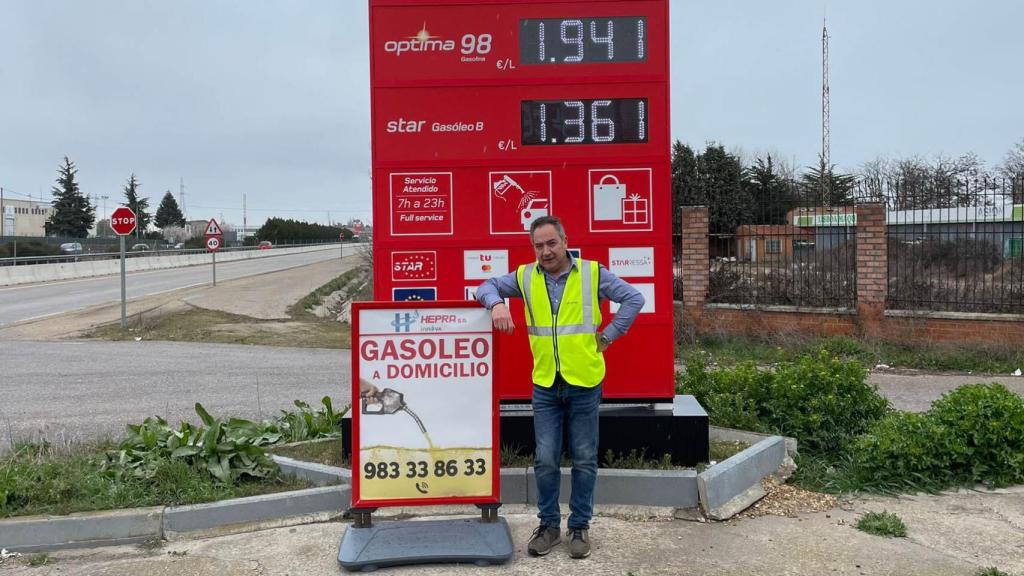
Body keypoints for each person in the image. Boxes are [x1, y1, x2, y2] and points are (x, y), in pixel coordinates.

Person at [476, 215, 644, 559]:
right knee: (546, 459)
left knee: (583, 459)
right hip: (546, 385)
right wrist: (496, 304)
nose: (545, 251)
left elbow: (634, 299)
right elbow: (485, 286)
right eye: (538, 245)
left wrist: (609, 335)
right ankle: (549, 526)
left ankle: (579, 526)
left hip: (584, 382)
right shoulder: (524, 276)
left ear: (565, 242)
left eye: (551, 243)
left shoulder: (592, 273)